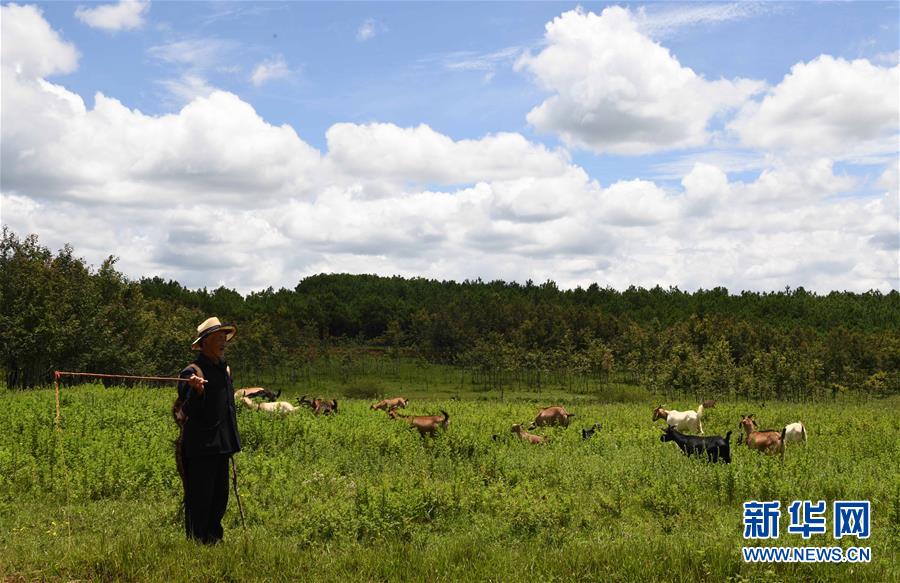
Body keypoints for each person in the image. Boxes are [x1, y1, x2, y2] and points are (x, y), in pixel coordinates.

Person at [175, 316, 241, 544]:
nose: (223, 341)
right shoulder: (191, 372)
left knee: (220, 497)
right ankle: (196, 541)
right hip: (200, 447)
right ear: (203, 343)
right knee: (199, 498)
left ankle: (214, 539)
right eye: (216, 337)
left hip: (222, 444)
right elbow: (186, 410)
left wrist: (232, 440)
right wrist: (197, 392)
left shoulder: (225, 370)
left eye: (224, 336)